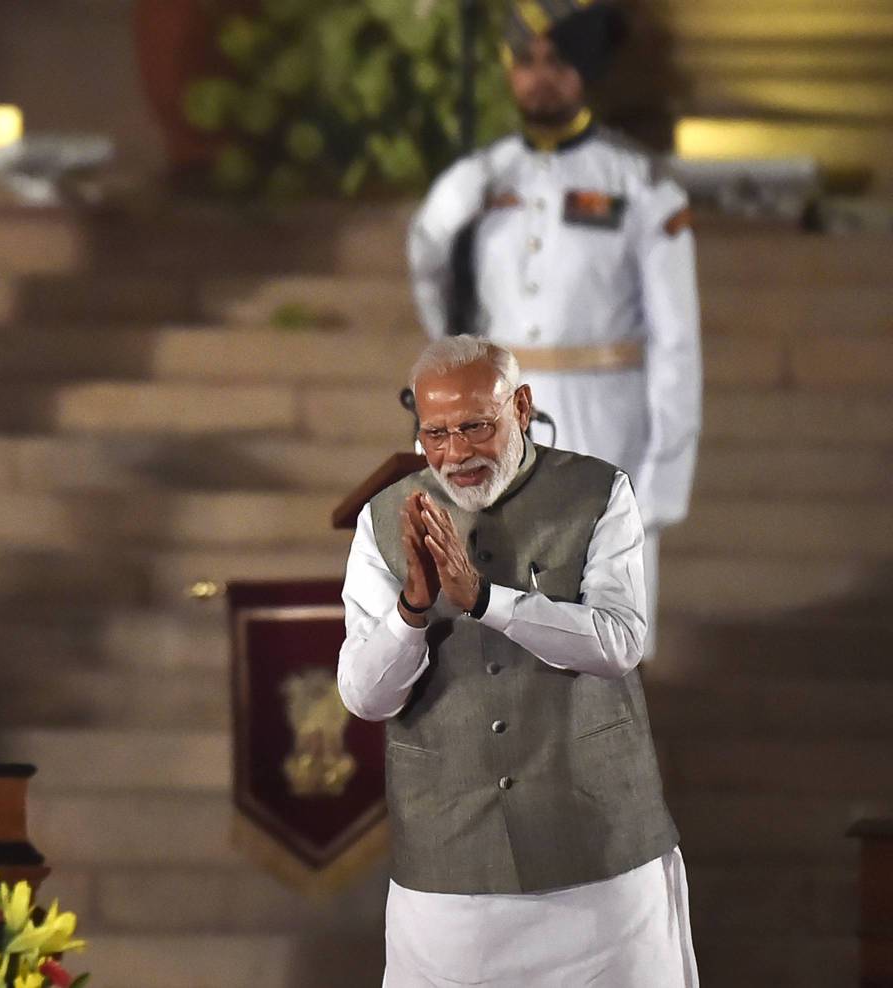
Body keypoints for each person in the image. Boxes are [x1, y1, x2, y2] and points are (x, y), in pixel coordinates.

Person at [337, 338, 697, 987]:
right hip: (449, 877)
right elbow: (365, 697)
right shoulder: (383, 519)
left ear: (522, 407)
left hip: (599, 861)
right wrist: (411, 610)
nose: (456, 453)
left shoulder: (598, 492)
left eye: (476, 426)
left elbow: (619, 643)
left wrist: (485, 600)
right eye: (436, 434)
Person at [406, 0, 700, 654]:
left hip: (606, 418)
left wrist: (663, 479)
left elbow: (677, 343)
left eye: (558, 61)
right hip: (498, 417)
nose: (540, 77)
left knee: (606, 627)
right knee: (495, 619)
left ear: (585, 69)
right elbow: (429, 270)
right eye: (527, 61)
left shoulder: (641, 184)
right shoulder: (479, 178)